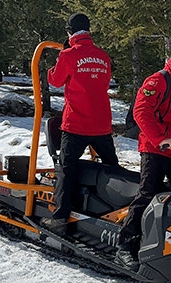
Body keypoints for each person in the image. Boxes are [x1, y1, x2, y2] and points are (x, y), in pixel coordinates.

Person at [115, 39, 171, 271]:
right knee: (148, 193)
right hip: (157, 150)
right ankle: (125, 245)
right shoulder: (159, 80)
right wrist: (161, 138)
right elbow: (141, 111)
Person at [40, 13, 119, 234]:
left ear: (69, 32)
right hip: (101, 122)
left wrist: (55, 63)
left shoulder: (68, 54)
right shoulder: (103, 56)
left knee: (66, 169)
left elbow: (55, 81)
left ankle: (60, 218)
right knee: (112, 168)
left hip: (76, 123)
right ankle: (117, 210)